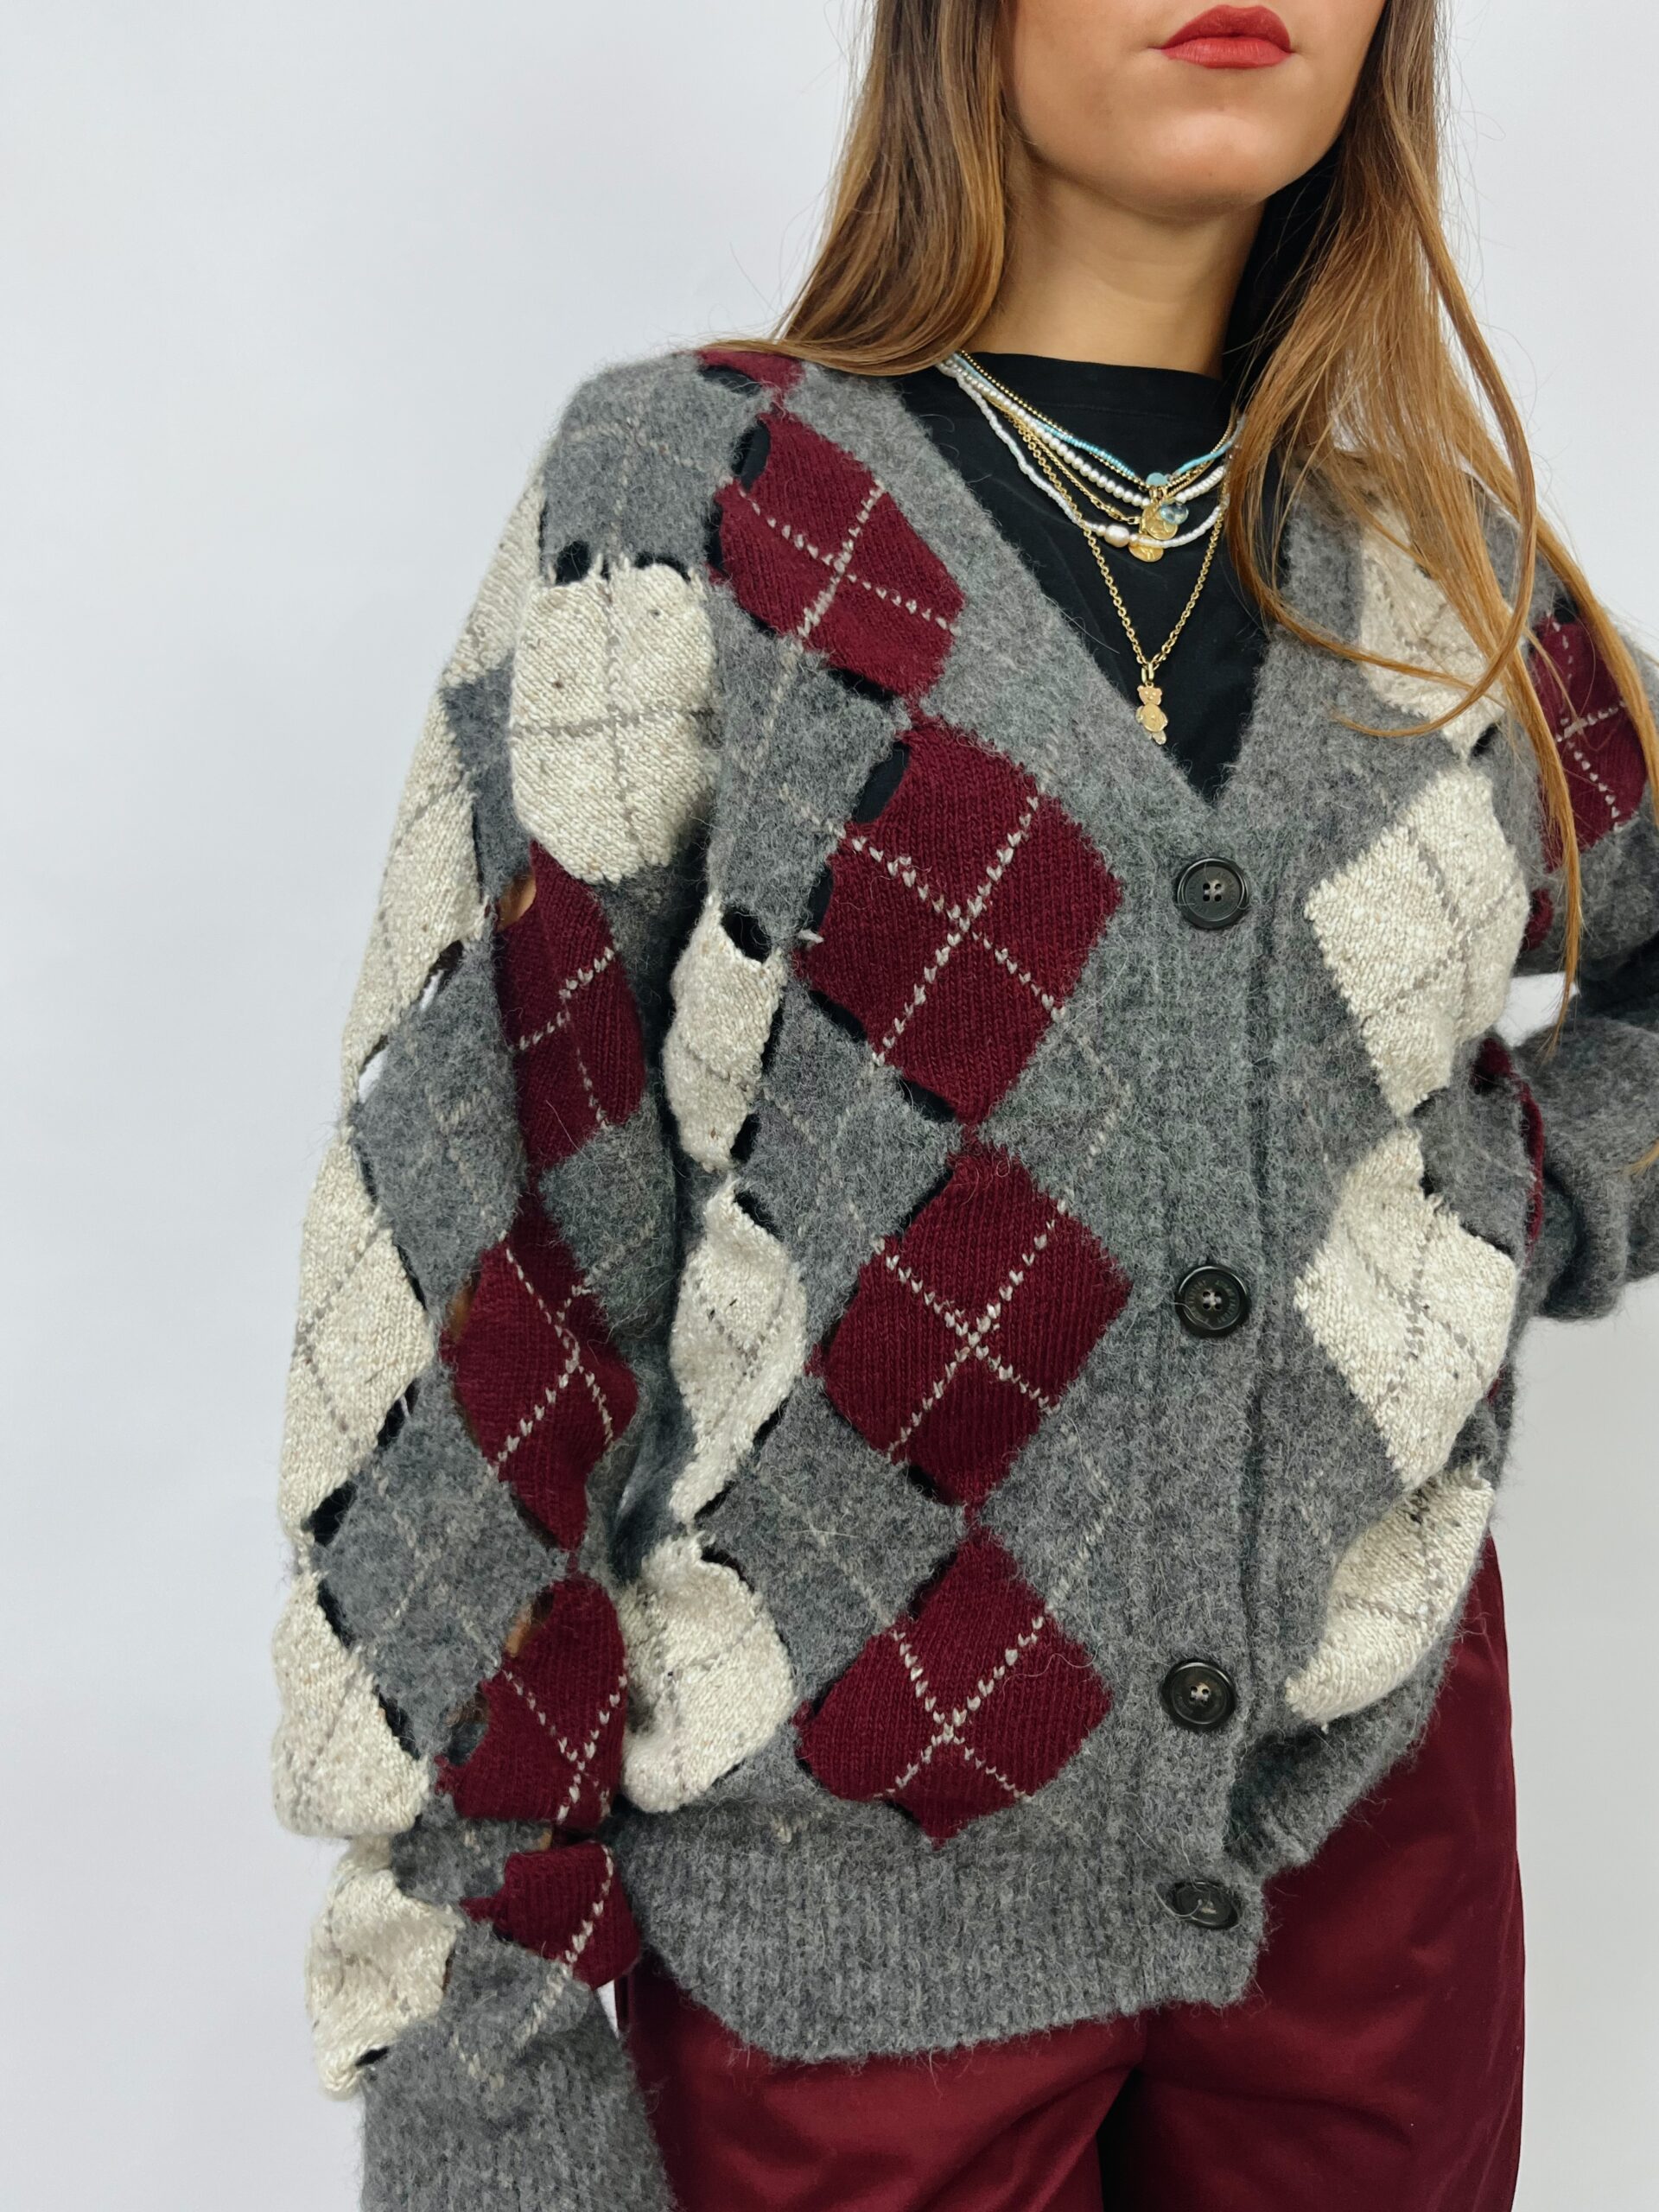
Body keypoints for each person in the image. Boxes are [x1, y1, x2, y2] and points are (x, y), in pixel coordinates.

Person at [270, 3, 1659, 2207]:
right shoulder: (711, 506)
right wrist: (479, 2016)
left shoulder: (1438, 580)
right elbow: (482, 1246)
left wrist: (1517, 1200)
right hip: (842, 1918)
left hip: (1370, 1895)